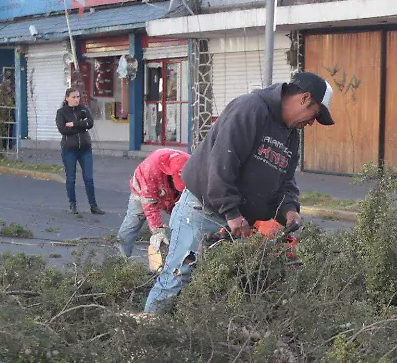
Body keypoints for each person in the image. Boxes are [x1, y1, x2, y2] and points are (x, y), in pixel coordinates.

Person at [142, 72, 334, 315]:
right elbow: (222, 163)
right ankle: (148, 337)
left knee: (224, 290)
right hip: (205, 212)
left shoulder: (290, 134)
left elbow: (286, 180)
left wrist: (290, 209)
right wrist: (231, 212)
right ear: (305, 98)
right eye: (314, 115)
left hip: (240, 224)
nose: (311, 123)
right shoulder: (250, 109)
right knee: (178, 278)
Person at [115, 147, 189, 261]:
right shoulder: (151, 169)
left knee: (182, 220)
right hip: (142, 190)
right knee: (134, 219)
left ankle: (179, 260)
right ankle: (120, 258)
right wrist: (157, 230)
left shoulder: (190, 164)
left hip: (170, 191)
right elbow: (149, 203)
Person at [55, 88, 101, 217]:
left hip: (85, 148)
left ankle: (93, 206)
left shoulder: (83, 109)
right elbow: (63, 129)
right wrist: (81, 126)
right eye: (74, 97)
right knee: (71, 177)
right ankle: (73, 204)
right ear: (67, 98)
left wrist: (74, 124)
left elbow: (90, 123)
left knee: (89, 178)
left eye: (78, 97)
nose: (77, 99)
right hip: (69, 148)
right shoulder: (61, 112)